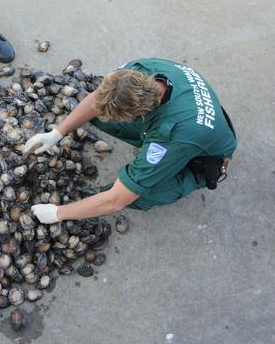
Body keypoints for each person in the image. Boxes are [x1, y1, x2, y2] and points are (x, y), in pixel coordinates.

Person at [24, 58, 237, 222]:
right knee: (95, 112)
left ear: (138, 114)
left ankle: (187, 181)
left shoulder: (169, 137)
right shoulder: (141, 69)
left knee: (137, 195)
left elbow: (116, 201)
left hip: (203, 156)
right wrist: (57, 133)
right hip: (192, 112)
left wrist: (59, 213)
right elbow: (98, 99)